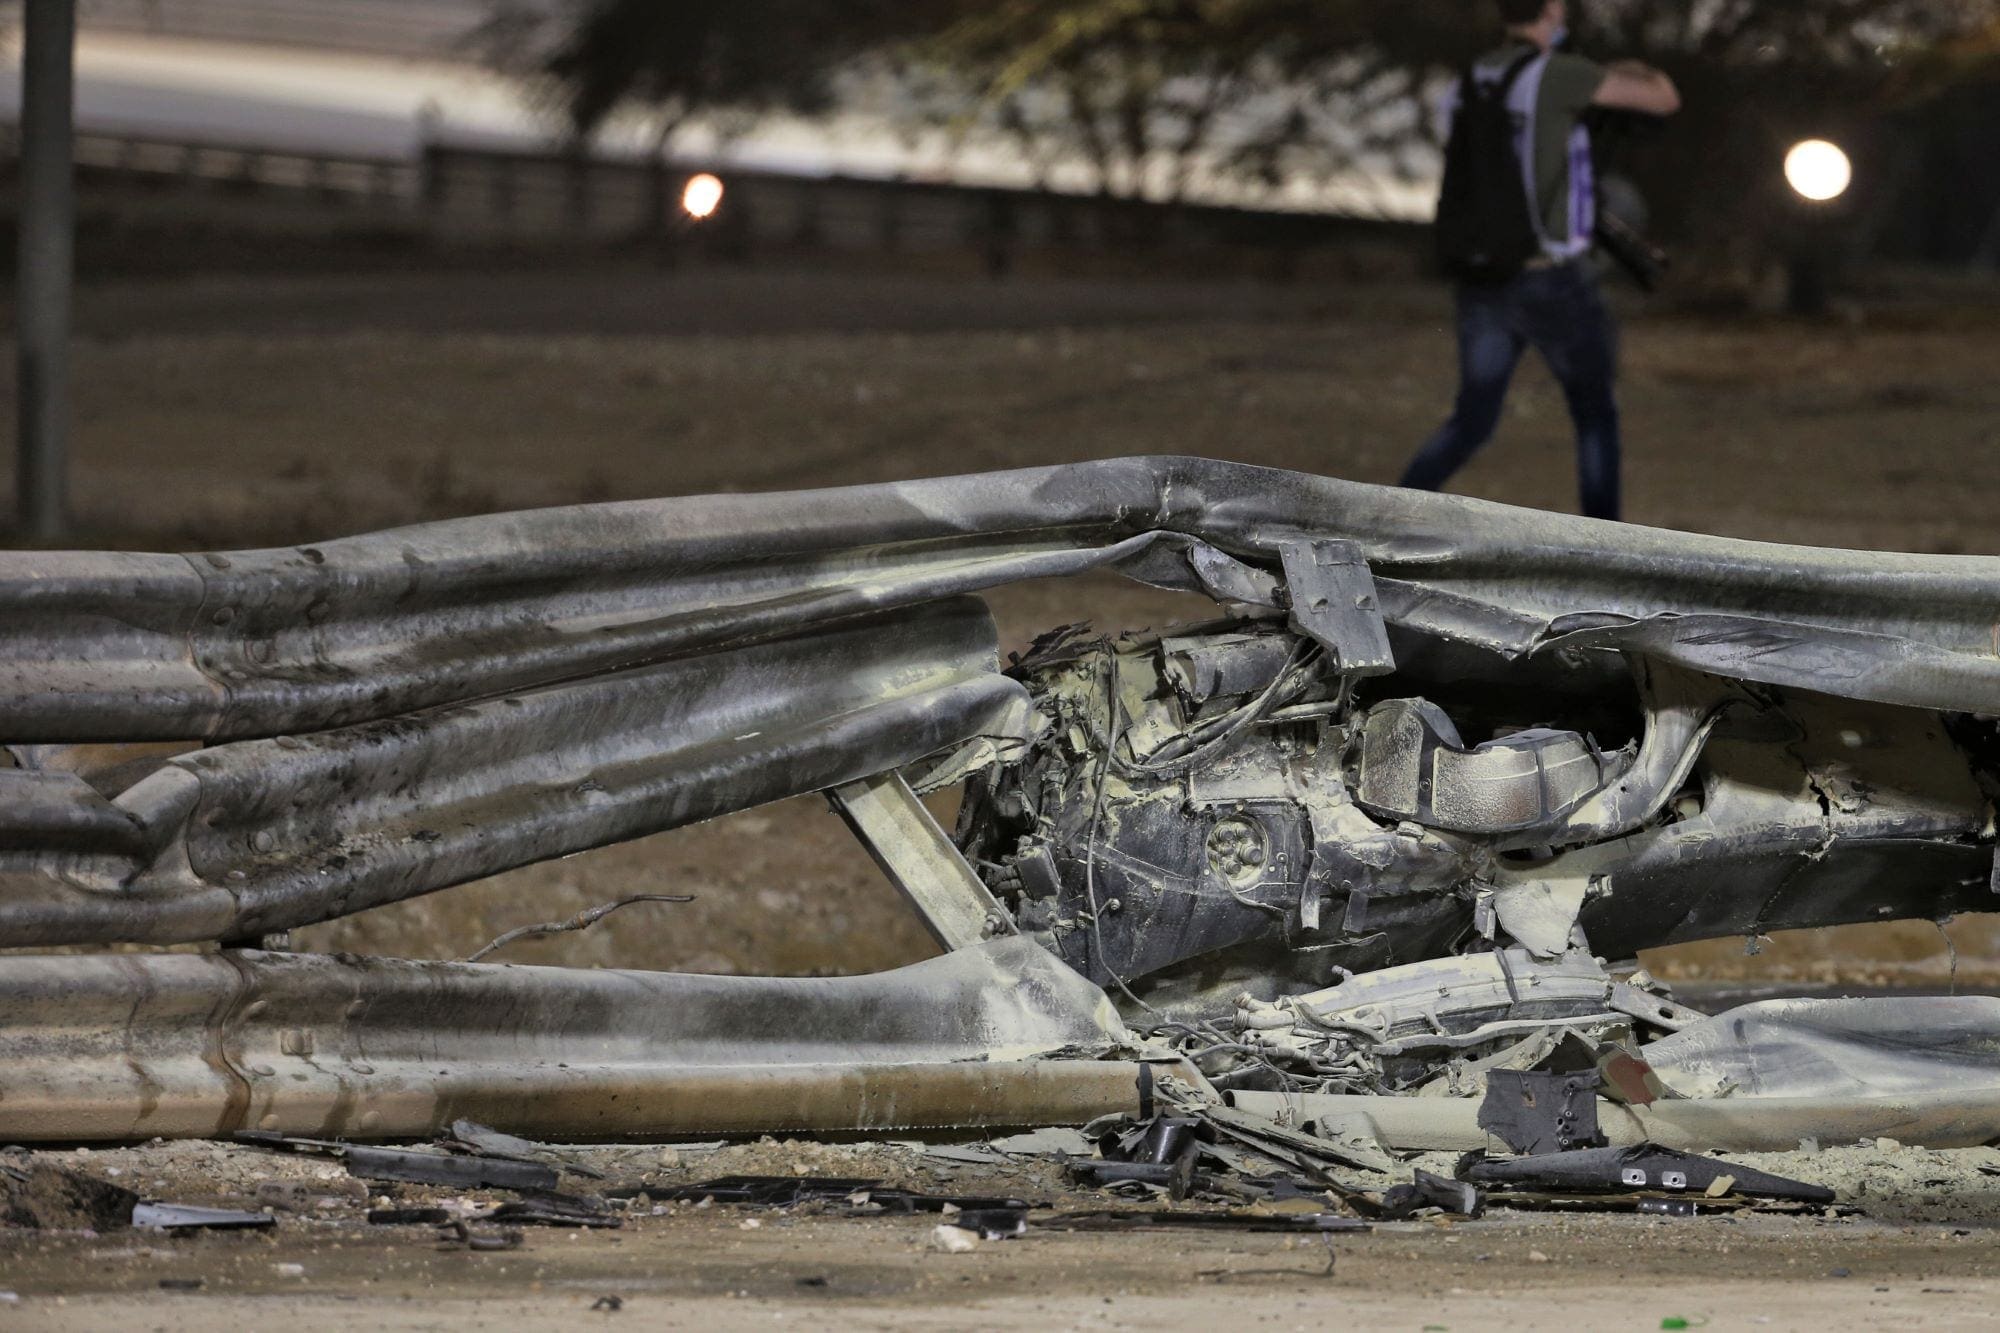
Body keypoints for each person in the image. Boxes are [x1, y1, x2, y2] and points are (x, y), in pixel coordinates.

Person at [1398, 0, 1679, 522]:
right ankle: (1604, 543)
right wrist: (1633, 70)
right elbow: (1663, 99)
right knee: (1595, 413)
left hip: (1483, 277)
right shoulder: (1560, 74)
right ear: (1551, 9)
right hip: (1549, 279)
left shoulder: (1469, 79)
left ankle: (1392, 515)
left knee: (1472, 420)